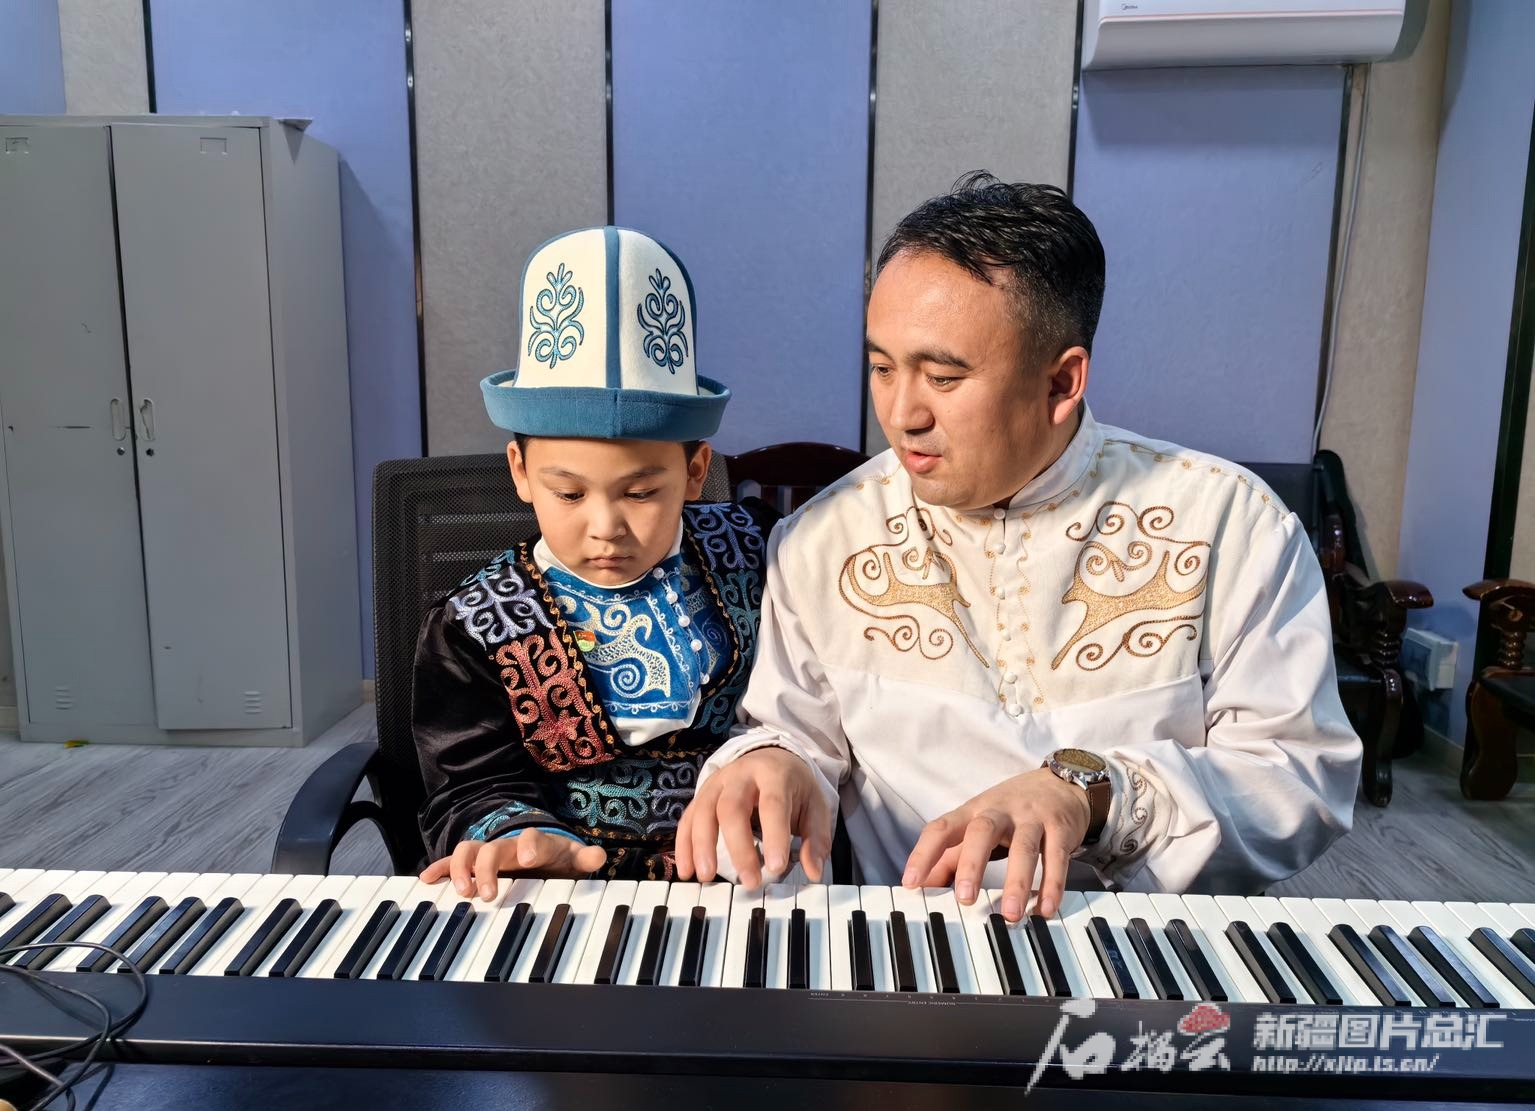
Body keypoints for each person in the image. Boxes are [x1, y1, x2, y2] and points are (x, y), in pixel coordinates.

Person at [676, 172, 1362, 921]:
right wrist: (771, 762)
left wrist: (1095, 794)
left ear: (1062, 382)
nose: (901, 414)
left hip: (1148, 946)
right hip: (910, 944)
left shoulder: (1228, 523)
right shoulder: (822, 538)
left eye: (943, 376)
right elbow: (794, 730)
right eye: (881, 367)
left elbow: (1299, 777)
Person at [413, 227, 775, 898]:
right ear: (520, 471)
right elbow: (469, 782)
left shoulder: (755, 552)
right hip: (570, 886)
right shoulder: (474, 624)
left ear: (695, 471)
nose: (605, 528)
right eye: (569, 493)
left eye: (641, 492)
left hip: (744, 878)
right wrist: (519, 837)